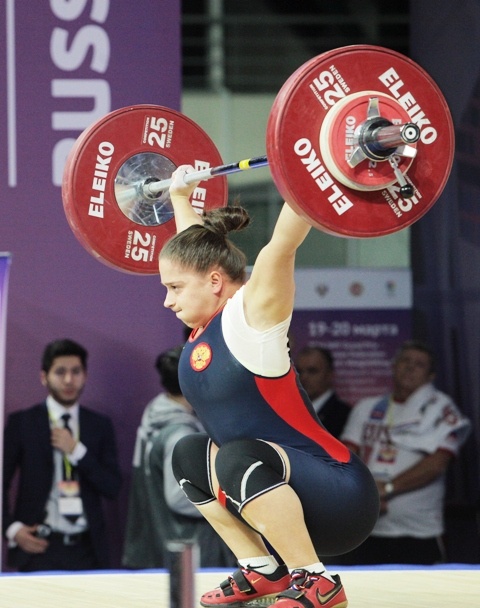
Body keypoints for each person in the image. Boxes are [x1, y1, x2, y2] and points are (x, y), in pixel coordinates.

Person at [157, 165, 380, 608]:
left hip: (340, 497)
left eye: (175, 288)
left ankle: (318, 582)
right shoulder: (207, 325)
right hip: (280, 500)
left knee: (238, 455)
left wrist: (315, 168)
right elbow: (196, 252)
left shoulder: (253, 316)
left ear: (215, 282)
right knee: (188, 453)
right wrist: (180, 196)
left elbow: (284, 242)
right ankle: (262, 569)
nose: (168, 299)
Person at [340, 339, 471, 565]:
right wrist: (366, 492)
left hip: (418, 532)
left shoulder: (441, 409)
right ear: (393, 366)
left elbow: (437, 464)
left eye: (419, 364)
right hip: (368, 530)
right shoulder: (366, 407)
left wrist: (387, 489)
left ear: (431, 376)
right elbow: (345, 457)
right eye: (405, 361)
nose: (410, 367)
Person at [2, 338, 122, 572]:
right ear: (44, 377)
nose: (69, 380)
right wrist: (11, 529)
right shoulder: (23, 423)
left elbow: (112, 486)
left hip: (88, 550)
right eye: (60, 372)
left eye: (76, 372)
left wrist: (77, 451)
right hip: (38, 546)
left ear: (85, 375)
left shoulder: (99, 425)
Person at [122, 345, 235, 569]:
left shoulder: (154, 417)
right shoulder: (179, 434)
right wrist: (227, 505)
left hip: (162, 541)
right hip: (188, 545)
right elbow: (179, 498)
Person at [294, 346, 351, 439]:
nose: (303, 377)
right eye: (299, 371)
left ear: (329, 375)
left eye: (312, 371)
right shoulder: (287, 411)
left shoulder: (344, 415)